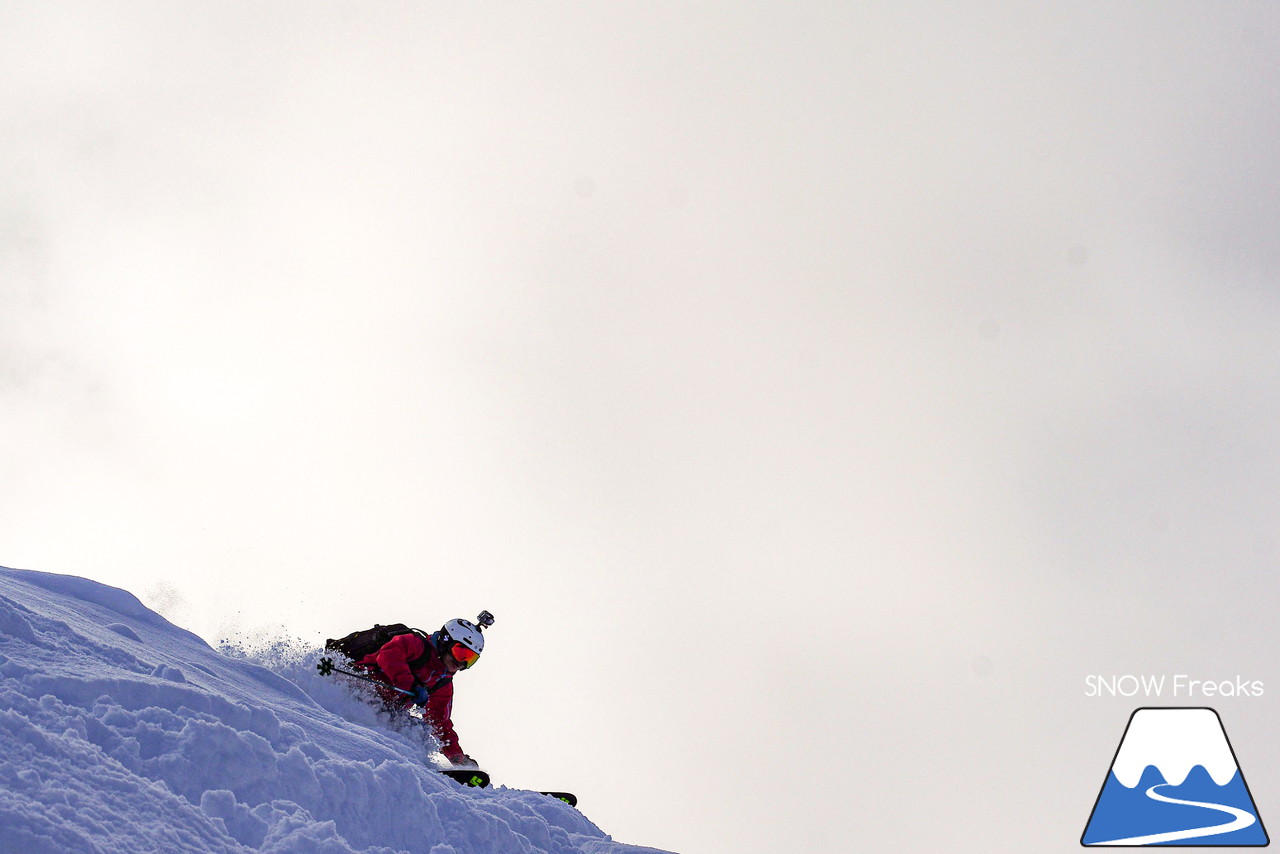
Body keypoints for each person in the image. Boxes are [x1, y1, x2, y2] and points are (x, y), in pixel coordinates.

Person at [355, 616, 487, 768]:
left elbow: (439, 722)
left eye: (470, 659)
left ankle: (409, 766)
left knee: (419, 732)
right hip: (361, 684)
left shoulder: (442, 683)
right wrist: (410, 685)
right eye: (460, 653)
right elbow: (389, 654)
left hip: (384, 709)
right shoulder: (416, 644)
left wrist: (457, 757)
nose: (461, 663)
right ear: (446, 641)